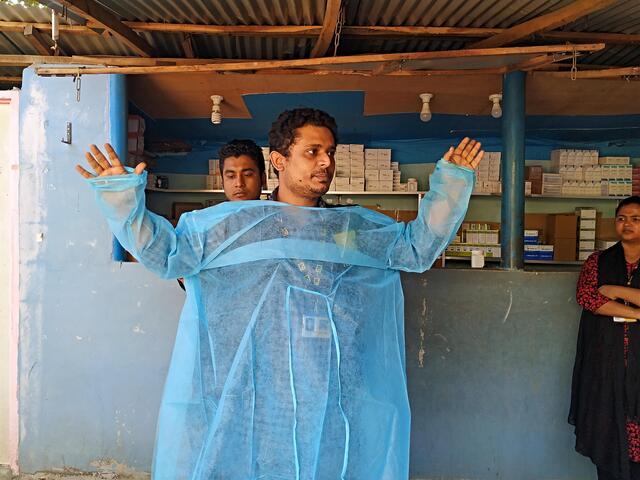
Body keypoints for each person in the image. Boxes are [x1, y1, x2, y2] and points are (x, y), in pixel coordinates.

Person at [76, 107, 483, 480]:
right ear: (279, 160)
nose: (326, 162)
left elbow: (414, 248)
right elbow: (167, 254)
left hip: (331, 395)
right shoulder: (232, 226)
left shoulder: (349, 230)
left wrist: (449, 187)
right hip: (250, 393)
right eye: (312, 151)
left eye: (330, 152)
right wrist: (121, 198)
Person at [571, 196, 640, 480]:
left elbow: (600, 295)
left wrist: (613, 290)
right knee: (608, 436)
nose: (627, 224)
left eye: (636, 218)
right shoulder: (598, 261)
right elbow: (587, 296)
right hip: (606, 367)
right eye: (622, 218)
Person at [177, 139, 265, 290]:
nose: (239, 183)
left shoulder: (278, 221)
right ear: (222, 181)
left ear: (263, 179)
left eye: (248, 174)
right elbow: (184, 274)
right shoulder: (208, 226)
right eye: (231, 176)